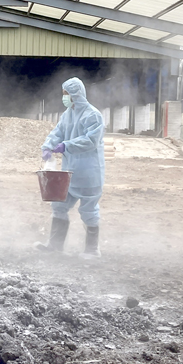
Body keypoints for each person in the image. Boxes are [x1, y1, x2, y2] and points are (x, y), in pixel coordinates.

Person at [35, 77, 105, 259]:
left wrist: (66, 146)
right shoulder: (68, 114)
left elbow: (91, 141)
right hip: (69, 172)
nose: (64, 97)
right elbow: (57, 131)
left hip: (89, 172)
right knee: (59, 204)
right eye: (63, 93)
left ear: (76, 94)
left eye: (66, 94)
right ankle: (55, 245)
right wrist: (47, 146)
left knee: (89, 210)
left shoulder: (93, 115)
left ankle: (92, 250)